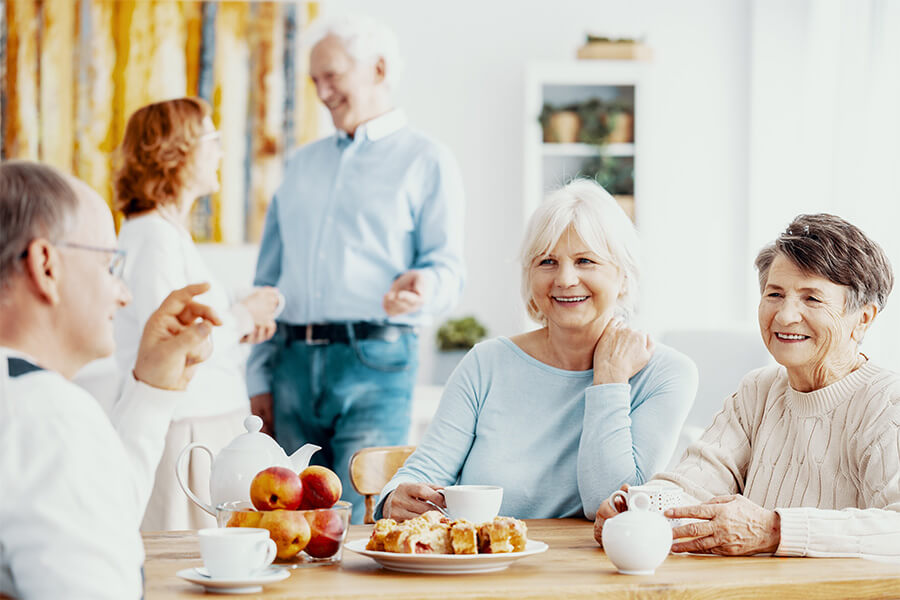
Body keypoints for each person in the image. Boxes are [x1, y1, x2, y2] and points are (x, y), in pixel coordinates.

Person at [246, 15, 465, 523]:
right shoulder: (300, 165)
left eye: (333, 75)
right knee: (288, 521)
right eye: (314, 80)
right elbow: (267, 283)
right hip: (292, 365)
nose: (321, 91)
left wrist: (424, 286)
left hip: (377, 360)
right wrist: (259, 374)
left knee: (362, 516)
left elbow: (448, 268)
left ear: (379, 68)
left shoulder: (427, 159)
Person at [378, 179, 698, 521]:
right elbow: (426, 469)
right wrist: (392, 499)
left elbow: (609, 505)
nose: (564, 279)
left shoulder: (667, 373)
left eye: (585, 261)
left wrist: (609, 380)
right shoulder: (486, 364)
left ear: (623, 275)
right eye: (547, 262)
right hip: (488, 564)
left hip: (596, 571)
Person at [592, 213, 900, 560]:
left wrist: (775, 530)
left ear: (864, 317)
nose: (784, 316)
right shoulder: (760, 389)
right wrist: (640, 507)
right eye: (775, 294)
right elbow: (697, 480)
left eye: (811, 299)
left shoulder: (888, 402)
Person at [0, 161, 220, 598]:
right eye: (109, 265)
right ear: (46, 265)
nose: (124, 294)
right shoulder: (48, 416)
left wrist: (153, 392)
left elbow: (98, 519)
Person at [112, 98, 281, 530]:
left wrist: (242, 317)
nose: (221, 151)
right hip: (186, 432)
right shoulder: (154, 237)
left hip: (200, 425)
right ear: (175, 151)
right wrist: (242, 316)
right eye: (213, 139)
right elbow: (174, 347)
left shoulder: (166, 233)